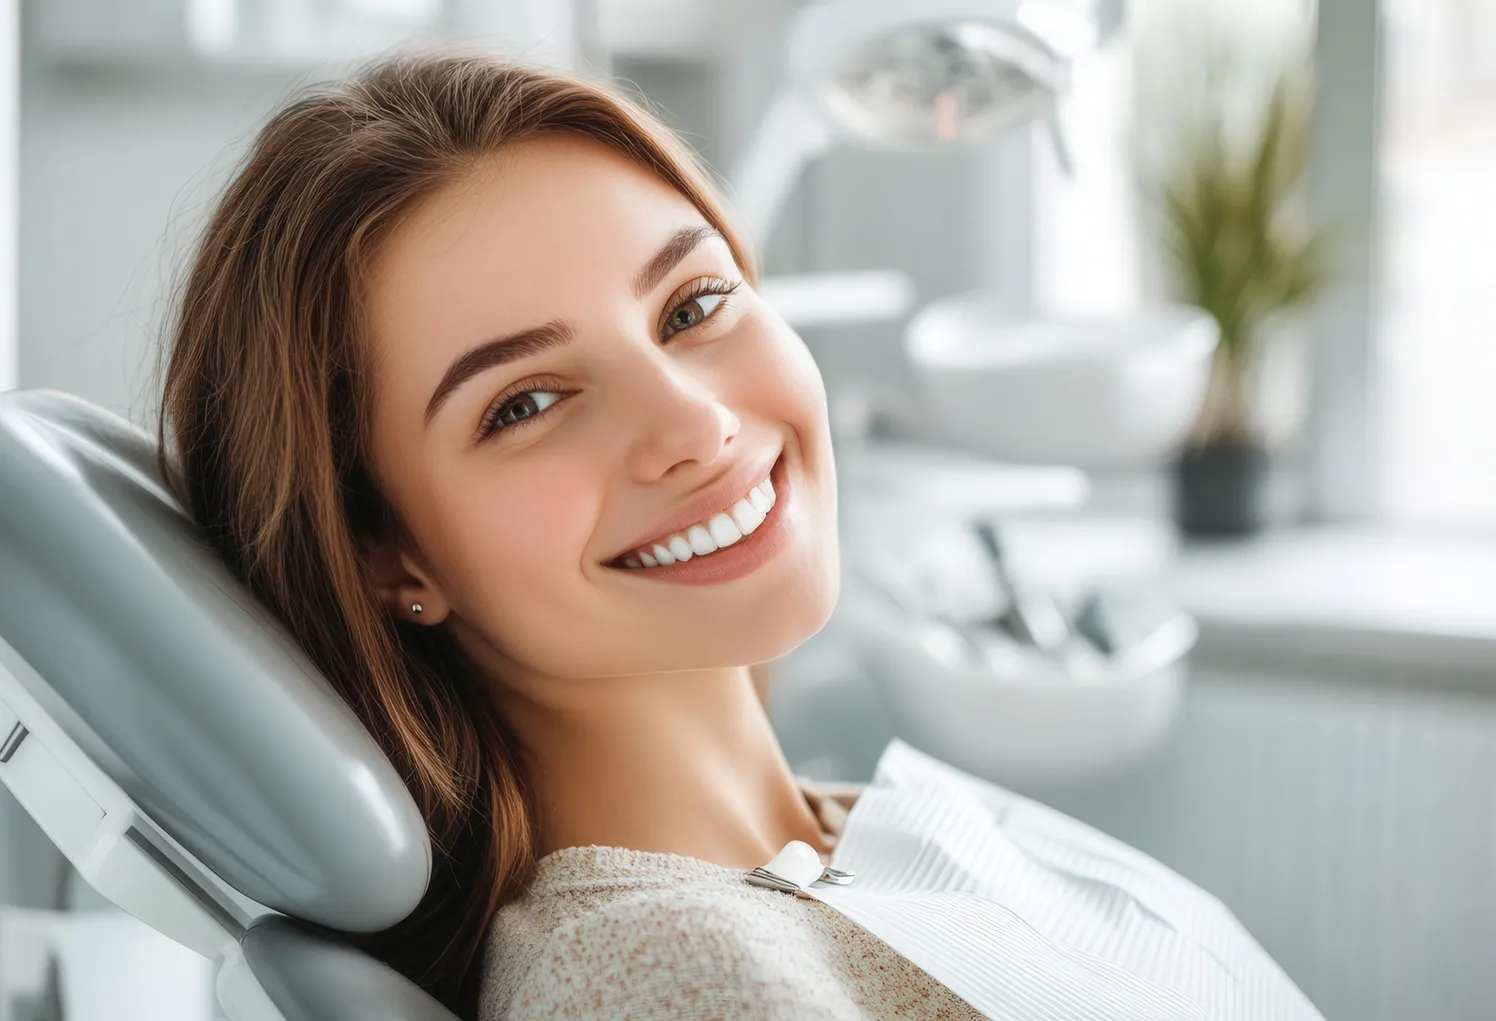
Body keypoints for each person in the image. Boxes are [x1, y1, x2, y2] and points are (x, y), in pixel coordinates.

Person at [156, 53, 1321, 1021]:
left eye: (693, 306)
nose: (694, 425)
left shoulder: (857, 826)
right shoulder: (658, 974)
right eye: (524, 403)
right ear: (386, 557)